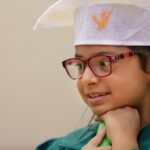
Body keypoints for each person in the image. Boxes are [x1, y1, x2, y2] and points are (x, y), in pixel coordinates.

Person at [34, 0, 150, 149]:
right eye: (80, 65)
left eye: (104, 63)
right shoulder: (62, 146)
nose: (86, 79)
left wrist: (124, 142)